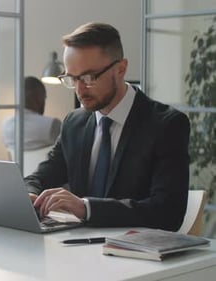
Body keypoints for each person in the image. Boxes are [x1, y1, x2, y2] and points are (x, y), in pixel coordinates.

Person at [25, 22, 190, 231]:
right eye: (72, 78)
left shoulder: (166, 125)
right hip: (78, 249)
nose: (79, 90)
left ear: (120, 69)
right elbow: (39, 178)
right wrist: (30, 195)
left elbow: (167, 213)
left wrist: (86, 208)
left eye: (88, 77)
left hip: (135, 256)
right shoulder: (74, 123)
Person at [2, 76, 62, 151]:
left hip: (20, 163)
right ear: (39, 98)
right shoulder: (53, 124)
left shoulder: (6, 125)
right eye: (44, 97)